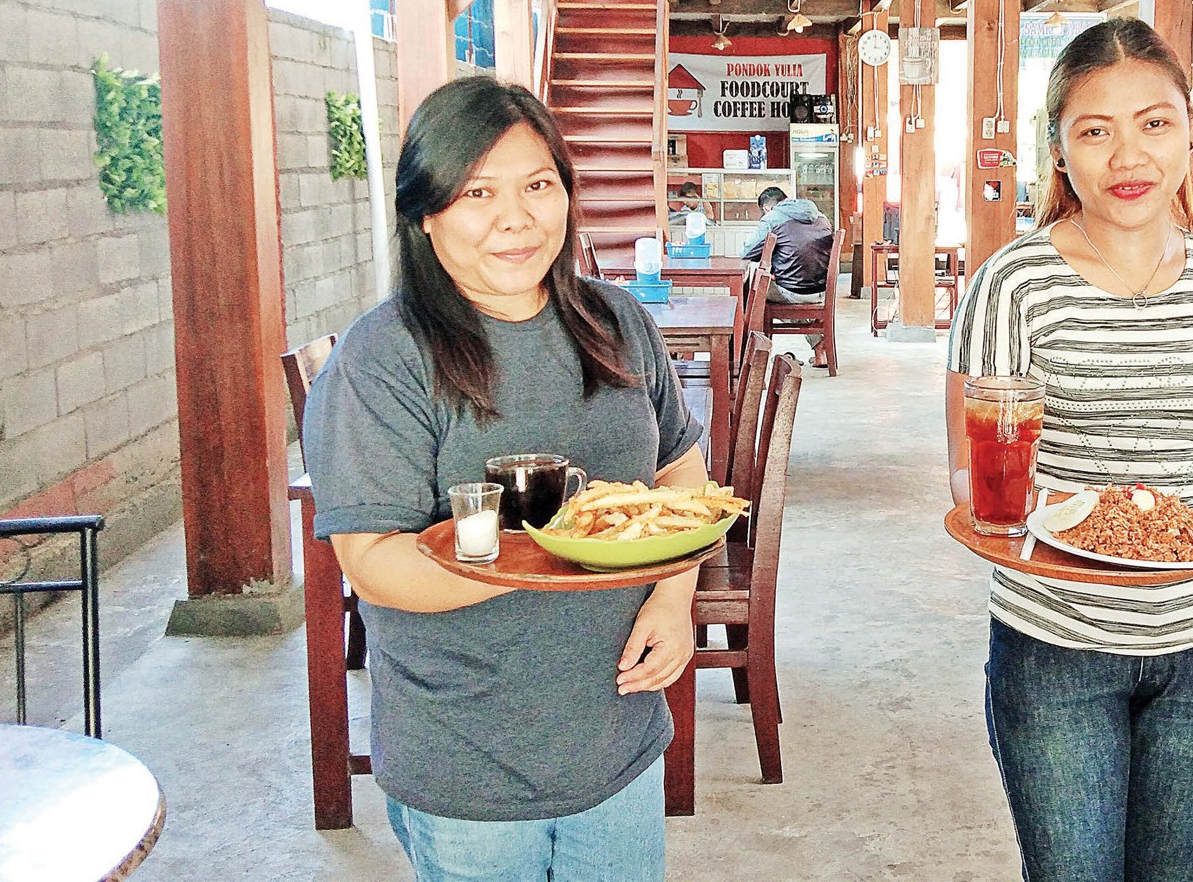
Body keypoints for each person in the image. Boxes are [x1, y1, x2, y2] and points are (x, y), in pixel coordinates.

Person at [302, 78, 705, 882]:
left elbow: (678, 469)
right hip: (468, 763)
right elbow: (374, 561)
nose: (516, 218)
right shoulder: (384, 360)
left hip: (619, 735)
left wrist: (671, 599)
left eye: (538, 185)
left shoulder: (618, 322)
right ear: (426, 212)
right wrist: (559, 555)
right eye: (478, 192)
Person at [945, 19, 1193, 882]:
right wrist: (1049, 524)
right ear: (1059, 149)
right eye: (1096, 131)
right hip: (1056, 644)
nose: (1128, 156)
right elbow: (972, 472)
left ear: (1190, 129)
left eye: (1154, 123)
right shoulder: (1011, 284)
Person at [740, 185, 835, 366]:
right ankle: (820, 350)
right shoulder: (821, 217)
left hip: (792, 291)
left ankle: (753, 358)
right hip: (821, 291)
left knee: (753, 292)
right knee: (771, 289)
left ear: (767, 208)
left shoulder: (772, 218)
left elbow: (747, 252)